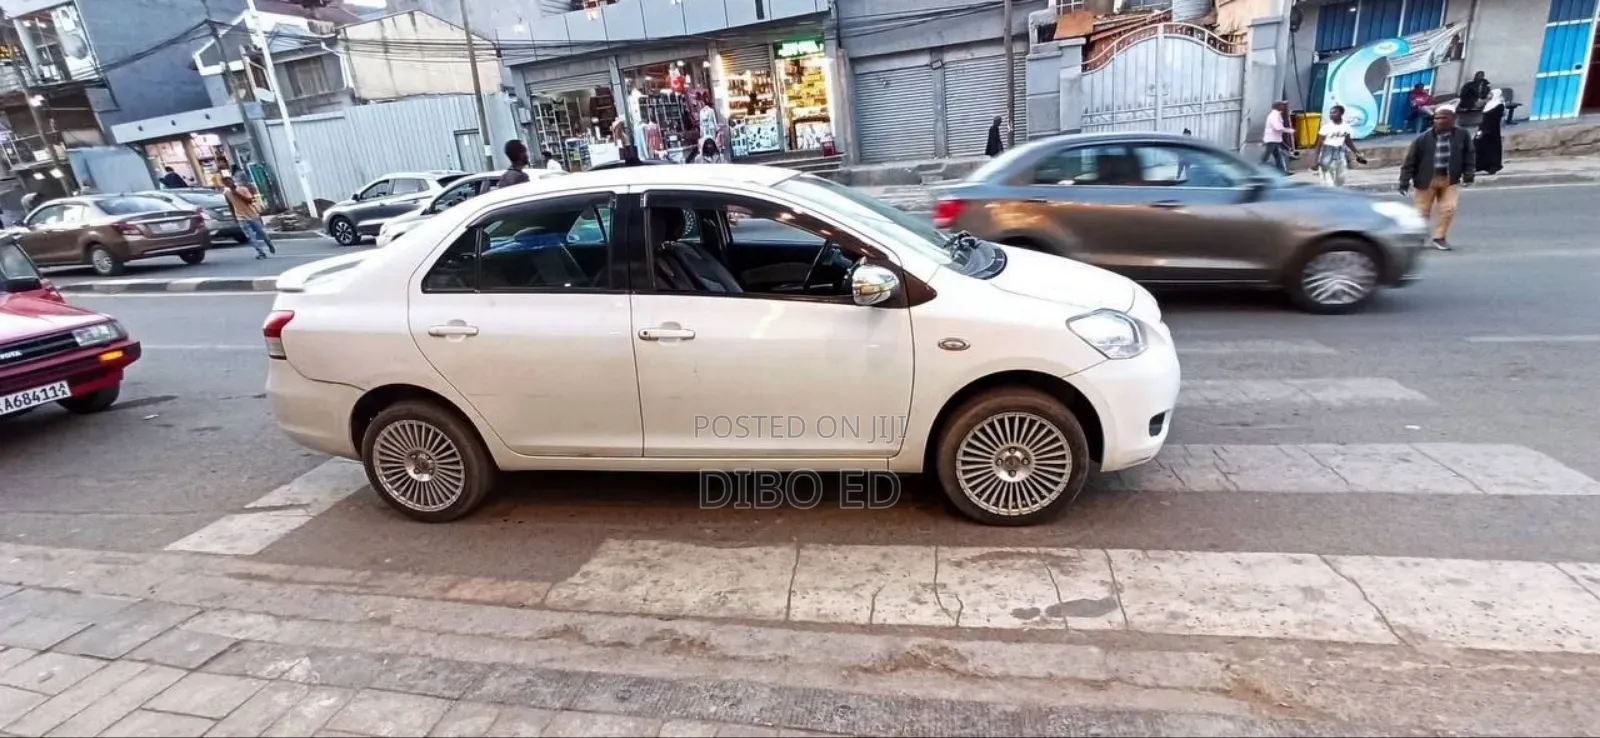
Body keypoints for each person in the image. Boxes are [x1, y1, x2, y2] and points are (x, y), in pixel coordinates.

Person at [1399, 107, 1474, 251]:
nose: (1438, 121)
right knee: (1422, 212)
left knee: (1448, 209)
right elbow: (1410, 161)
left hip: (1449, 179)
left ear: (1453, 119)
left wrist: (1468, 174)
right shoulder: (1423, 139)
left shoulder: (1462, 135)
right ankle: (1419, 238)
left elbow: (1469, 155)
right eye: (1436, 118)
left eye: (1442, 118)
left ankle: (1439, 237)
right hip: (1426, 180)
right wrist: (1404, 181)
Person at [1311, 105, 1367, 187]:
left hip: (1340, 153)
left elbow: (1348, 142)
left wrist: (1357, 153)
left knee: (1341, 180)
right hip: (1327, 153)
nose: (1331, 115)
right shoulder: (1326, 127)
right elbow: (1318, 145)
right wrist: (1315, 161)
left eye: (1334, 113)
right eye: (1330, 113)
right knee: (1328, 181)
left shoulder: (1346, 127)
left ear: (1341, 113)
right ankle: (1329, 195)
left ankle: (1337, 195)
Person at [221, 175, 274, 260]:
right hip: (241, 217)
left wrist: (235, 193)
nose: (228, 184)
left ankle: (269, 244)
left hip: (252, 215)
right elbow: (230, 204)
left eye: (229, 181)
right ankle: (260, 252)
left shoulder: (243, 189)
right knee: (250, 236)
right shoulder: (226, 193)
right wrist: (234, 216)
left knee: (262, 233)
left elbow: (249, 201)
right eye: (226, 183)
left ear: (233, 181)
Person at [1475, 89, 1505, 176]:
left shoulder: (1499, 105)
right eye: (1489, 94)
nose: (1489, 95)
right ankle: (1478, 165)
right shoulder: (1490, 104)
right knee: (1478, 146)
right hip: (1483, 128)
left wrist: (1485, 130)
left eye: (1491, 94)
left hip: (1492, 130)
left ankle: (1492, 166)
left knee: (1491, 148)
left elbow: (1494, 119)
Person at [1261, 100, 1294, 175]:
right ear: (1277, 107)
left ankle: (1282, 172)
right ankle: (1257, 170)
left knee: (1277, 156)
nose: (1283, 107)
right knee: (1266, 157)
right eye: (1282, 105)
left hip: (1274, 139)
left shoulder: (1276, 115)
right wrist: (1288, 130)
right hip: (1272, 139)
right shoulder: (1274, 116)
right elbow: (1277, 127)